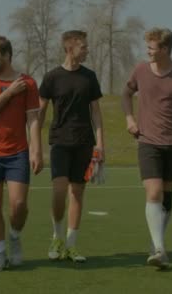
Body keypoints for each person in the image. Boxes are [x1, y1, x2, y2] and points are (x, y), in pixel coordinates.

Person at [121, 27, 172, 269]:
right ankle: (159, 249)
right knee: (154, 192)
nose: (148, 51)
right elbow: (125, 94)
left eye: (152, 47)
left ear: (165, 49)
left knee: (166, 198)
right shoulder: (140, 70)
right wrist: (129, 119)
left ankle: (158, 242)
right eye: (147, 46)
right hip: (147, 141)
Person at [0, 36, 43, 272]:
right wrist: (10, 92)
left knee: (19, 204)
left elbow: (33, 120)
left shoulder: (29, 83)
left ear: (6, 56)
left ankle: (14, 236)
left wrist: (36, 150)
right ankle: (0, 254)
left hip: (18, 153)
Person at [38, 30, 105, 263]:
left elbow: (96, 113)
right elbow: (39, 113)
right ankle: (56, 236)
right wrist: (34, 144)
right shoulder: (51, 77)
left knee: (77, 192)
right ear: (70, 48)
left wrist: (100, 145)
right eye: (83, 47)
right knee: (59, 190)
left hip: (84, 143)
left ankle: (71, 244)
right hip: (59, 141)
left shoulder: (90, 77)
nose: (87, 50)